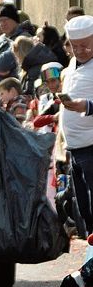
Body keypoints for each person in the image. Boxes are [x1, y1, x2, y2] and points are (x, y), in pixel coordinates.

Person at [56, 15, 93, 233]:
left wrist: (87, 106)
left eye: (85, 46)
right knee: (84, 209)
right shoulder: (72, 63)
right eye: (74, 46)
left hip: (91, 146)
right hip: (75, 147)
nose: (79, 50)